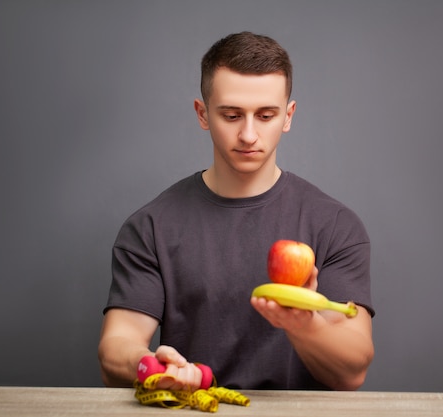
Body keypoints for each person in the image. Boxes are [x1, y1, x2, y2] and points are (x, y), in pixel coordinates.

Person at [98, 31, 374, 391]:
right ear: (203, 114)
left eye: (265, 115)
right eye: (231, 115)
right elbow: (115, 347)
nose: (248, 134)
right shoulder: (150, 227)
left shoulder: (335, 226)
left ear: (288, 116)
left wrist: (303, 325)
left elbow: (352, 371)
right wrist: (148, 365)